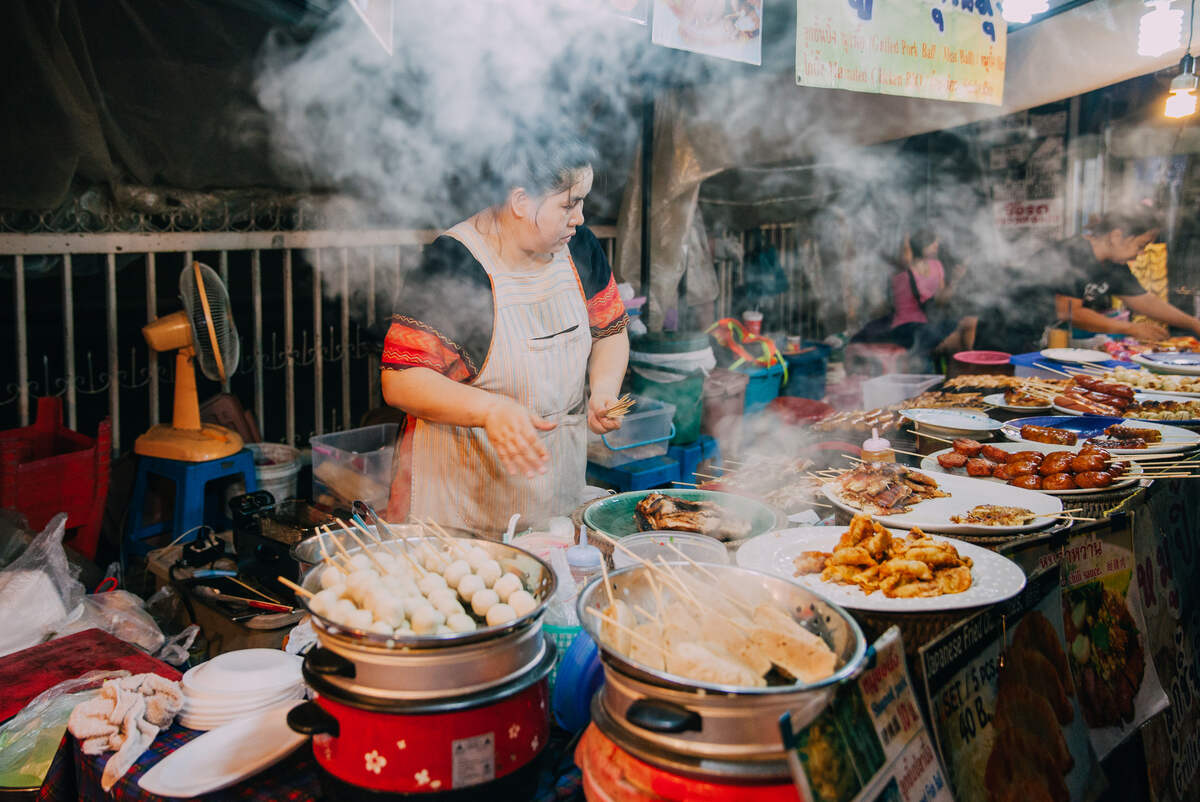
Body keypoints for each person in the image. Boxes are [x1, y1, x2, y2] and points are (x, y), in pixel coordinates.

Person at [380, 133, 630, 536]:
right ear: (520, 202)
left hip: (553, 500)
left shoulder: (579, 247)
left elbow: (610, 331)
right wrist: (491, 411)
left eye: (581, 202)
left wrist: (603, 388)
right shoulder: (456, 263)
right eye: (569, 204)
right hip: (458, 513)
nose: (580, 218)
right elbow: (401, 381)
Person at [1048, 207, 1200, 343]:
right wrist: (1131, 328)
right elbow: (1069, 312)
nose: (1140, 254)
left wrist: (1194, 324)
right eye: (1140, 246)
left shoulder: (1114, 265)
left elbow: (1146, 302)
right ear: (1116, 236)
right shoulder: (1074, 253)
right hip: (1029, 336)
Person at [888, 229, 976, 356]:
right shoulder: (906, 267)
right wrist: (907, 236)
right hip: (908, 326)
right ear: (921, 246)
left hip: (929, 321)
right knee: (956, 341)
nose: (936, 246)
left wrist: (955, 280)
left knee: (970, 322)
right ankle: (959, 364)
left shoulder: (936, 265)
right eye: (933, 243)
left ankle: (967, 367)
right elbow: (906, 255)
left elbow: (941, 300)